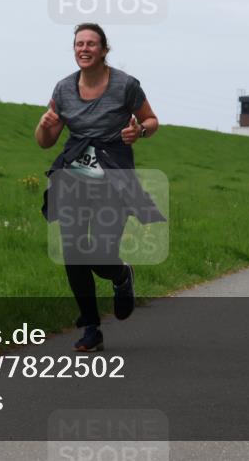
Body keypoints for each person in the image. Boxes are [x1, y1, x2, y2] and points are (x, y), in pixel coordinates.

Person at [37, 23, 162, 352]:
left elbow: (151, 120)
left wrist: (139, 132)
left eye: (92, 43)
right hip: (73, 176)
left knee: (100, 252)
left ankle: (121, 274)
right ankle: (91, 327)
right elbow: (45, 143)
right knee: (73, 254)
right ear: (74, 49)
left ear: (104, 50)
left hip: (114, 176)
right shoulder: (64, 89)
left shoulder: (125, 85)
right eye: (79, 43)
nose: (85, 48)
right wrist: (44, 126)